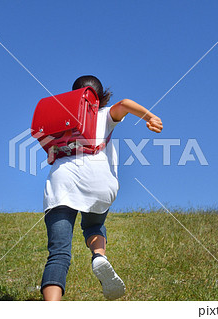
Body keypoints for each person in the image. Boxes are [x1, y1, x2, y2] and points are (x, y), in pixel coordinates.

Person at [40, 75, 163, 301]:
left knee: (58, 254)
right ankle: (99, 256)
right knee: (94, 226)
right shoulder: (104, 114)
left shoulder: (59, 120)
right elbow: (125, 104)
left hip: (62, 184)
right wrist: (150, 116)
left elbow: (47, 150)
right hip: (99, 183)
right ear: (100, 97)